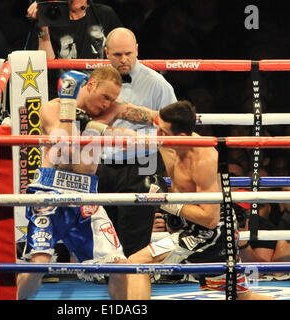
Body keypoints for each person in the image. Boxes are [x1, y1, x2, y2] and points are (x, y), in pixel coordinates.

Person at [16, 66, 160, 300]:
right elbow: (63, 143)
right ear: (90, 84)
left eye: (112, 99)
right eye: (105, 97)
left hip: (86, 197)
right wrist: (69, 104)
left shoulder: (105, 112)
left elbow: (138, 113)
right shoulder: (52, 107)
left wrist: (168, 120)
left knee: (120, 266)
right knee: (38, 265)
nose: (107, 104)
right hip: (50, 193)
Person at [126, 100, 273, 300]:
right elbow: (139, 115)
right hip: (190, 226)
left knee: (137, 263)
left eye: (163, 133)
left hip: (211, 232)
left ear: (182, 137)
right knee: (241, 296)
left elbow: (209, 219)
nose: (157, 136)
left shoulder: (203, 159)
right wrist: (106, 116)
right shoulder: (170, 133)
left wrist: (164, 201)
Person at [96, 27, 177, 259]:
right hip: (103, 161)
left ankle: (135, 278)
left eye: (129, 54)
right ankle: (111, 278)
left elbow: (172, 131)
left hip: (144, 161)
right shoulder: (93, 82)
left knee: (137, 230)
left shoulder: (157, 84)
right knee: (105, 227)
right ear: (106, 52)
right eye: (118, 54)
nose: (124, 60)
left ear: (137, 50)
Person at [27, 0, 122, 99]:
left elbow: (123, 53)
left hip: (100, 94)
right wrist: (43, 27)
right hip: (61, 96)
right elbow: (47, 67)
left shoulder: (104, 14)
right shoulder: (50, 16)